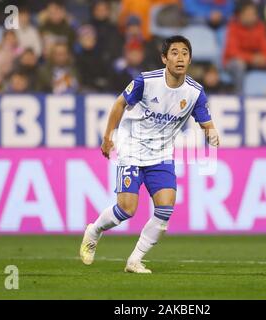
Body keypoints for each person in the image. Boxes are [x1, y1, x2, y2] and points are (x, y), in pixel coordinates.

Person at [79, 35, 220, 274]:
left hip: (162, 154)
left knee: (165, 209)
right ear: (164, 58)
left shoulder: (195, 93)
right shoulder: (146, 81)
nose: (180, 58)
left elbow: (207, 123)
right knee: (126, 210)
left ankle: (134, 260)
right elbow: (119, 104)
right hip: (132, 147)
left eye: (185, 53)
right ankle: (94, 231)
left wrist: (212, 134)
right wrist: (107, 137)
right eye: (174, 53)